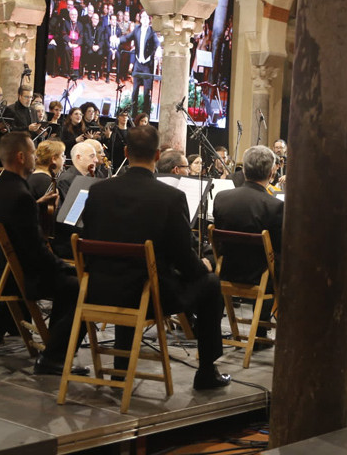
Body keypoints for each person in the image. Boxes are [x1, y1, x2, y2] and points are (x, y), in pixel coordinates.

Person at [81, 125, 230, 390]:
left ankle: (120, 370)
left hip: (98, 290)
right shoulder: (170, 197)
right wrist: (205, 265)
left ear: (126, 152)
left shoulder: (98, 191)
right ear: (158, 155)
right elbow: (185, 260)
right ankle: (207, 371)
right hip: (148, 295)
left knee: (134, 273)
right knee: (210, 285)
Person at [0, 132, 86, 375]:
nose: (36, 158)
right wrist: (66, 267)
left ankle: (54, 346)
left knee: (69, 282)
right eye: (33, 153)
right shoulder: (21, 195)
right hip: (21, 278)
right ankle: (56, 356)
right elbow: (36, 252)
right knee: (80, 287)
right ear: (20, 156)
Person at [213, 145, 283, 346]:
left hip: (226, 271)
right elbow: (278, 248)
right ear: (271, 173)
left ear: (244, 171)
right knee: (277, 264)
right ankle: (261, 332)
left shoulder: (222, 198)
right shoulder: (275, 206)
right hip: (259, 276)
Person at [115, 10, 159, 116]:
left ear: (149, 20)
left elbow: (157, 42)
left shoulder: (152, 31)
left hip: (147, 65)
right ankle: (134, 115)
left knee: (146, 93)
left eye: (146, 17)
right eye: (142, 17)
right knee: (134, 92)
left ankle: (146, 115)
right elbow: (127, 37)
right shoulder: (137, 29)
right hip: (138, 64)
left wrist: (158, 50)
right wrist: (118, 40)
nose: (144, 19)